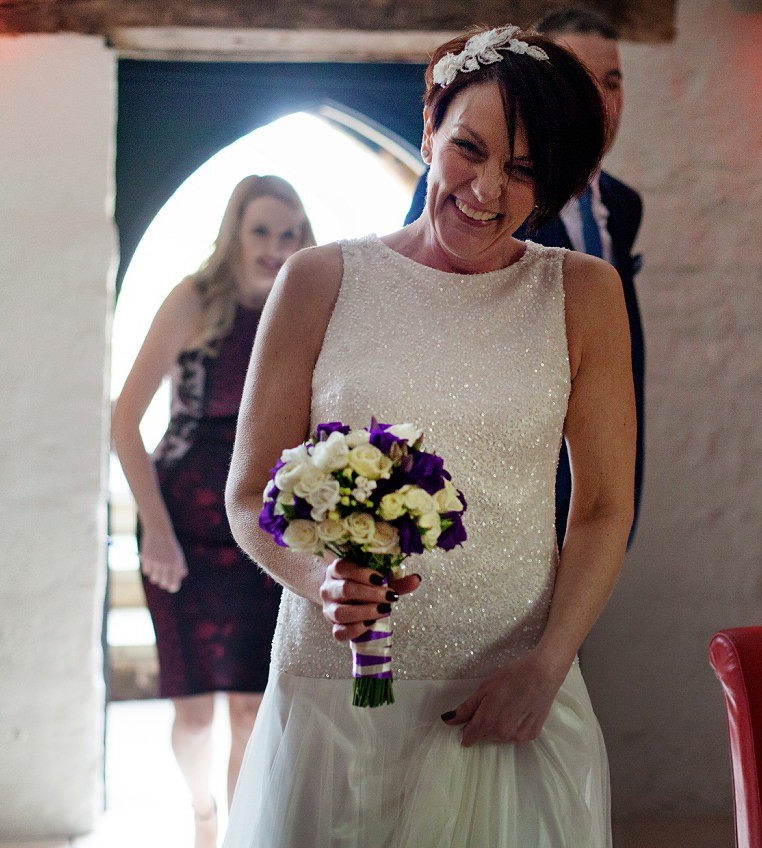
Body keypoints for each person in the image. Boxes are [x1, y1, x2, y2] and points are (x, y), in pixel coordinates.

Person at [223, 25, 636, 847]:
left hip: (508, 692)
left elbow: (601, 507)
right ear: (428, 133)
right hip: (338, 695)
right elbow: (248, 494)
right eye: (469, 149)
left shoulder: (581, 293)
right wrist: (320, 580)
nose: (485, 189)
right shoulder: (319, 280)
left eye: (521, 171)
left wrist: (547, 668)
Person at [111, 175, 315, 848]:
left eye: (289, 234)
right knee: (197, 715)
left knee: (253, 709)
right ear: (234, 231)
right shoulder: (192, 301)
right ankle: (202, 815)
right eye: (261, 231)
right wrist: (157, 532)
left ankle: (236, 838)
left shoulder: (306, 306)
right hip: (185, 528)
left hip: (262, 524)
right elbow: (123, 421)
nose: (274, 247)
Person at [405, 6, 646, 547]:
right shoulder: (455, 210)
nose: (601, 102)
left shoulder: (624, 206)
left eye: (613, 83)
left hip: (589, 484)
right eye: (582, 81)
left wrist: (614, 499)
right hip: (477, 506)